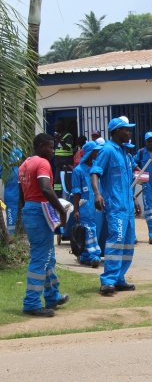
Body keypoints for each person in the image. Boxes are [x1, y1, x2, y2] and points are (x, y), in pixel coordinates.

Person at [18, 133, 69, 317]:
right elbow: (46, 188)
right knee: (40, 259)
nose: (53, 151)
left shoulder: (24, 164)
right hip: (39, 211)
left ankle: (52, 296)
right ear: (41, 147)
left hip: (30, 210)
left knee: (49, 257)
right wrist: (62, 211)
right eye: (50, 147)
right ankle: (31, 303)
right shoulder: (42, 163)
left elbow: (21, 192)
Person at [91, 117, 142, 294]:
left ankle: (120, 278)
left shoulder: (124, 153)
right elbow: (95, 172)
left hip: (127, 206)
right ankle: (108, 280)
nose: (129, 132)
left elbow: (126, 182)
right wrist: (97, 193)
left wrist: (134, 199)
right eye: (126, 129)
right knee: (116, 242)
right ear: (117, 131)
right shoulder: (107, 150)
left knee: (128, 243)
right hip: (115, 206)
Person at [72, 141, 103, 268]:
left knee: (94, 230)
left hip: (96, 205)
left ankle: (84, 256)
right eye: (95, 151)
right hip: (85, 205)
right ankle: (94, 255)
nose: (97, 153)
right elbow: (76, 192)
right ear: (90, 153)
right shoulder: (78, 171)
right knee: (89, 230)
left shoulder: (97, 167)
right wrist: (76, 210)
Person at [1, 137, 22, 235]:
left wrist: (12, 164)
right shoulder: (1, 158)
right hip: (10, 193)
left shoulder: (17, 152)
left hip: (22, 190)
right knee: (11, 217)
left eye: (9, 141)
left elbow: (23, 160)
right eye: (5, 142)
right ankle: (11, 235)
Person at [52, 118, 74, 197]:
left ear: (60, 127)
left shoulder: (68, 136)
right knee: (57, 181)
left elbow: (68, 148)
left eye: (56, 127)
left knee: (66, 179)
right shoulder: (57, 136)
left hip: (66, 162)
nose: (55, 128)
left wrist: (59, 140)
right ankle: (57, 196)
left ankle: (68, 196)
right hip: (58, 162)